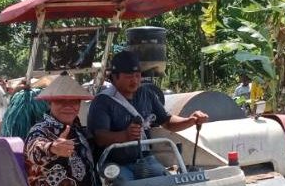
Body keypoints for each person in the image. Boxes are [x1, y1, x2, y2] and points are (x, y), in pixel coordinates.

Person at [87, 50, 209, 179]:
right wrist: (124, 135)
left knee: (166, 183)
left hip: (145, 158)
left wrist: (190, 120)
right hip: (114, 163)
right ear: (115, 77)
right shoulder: (102, 101)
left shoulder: (147, 94)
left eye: (137, 75)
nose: (134, 80)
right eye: (129, 76)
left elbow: (167, 121)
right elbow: (99, 138)